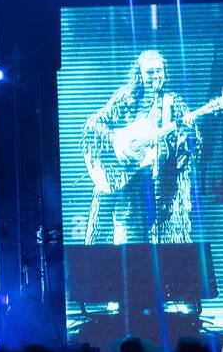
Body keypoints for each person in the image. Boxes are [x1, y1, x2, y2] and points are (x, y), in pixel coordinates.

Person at [81, 50, 202, 245]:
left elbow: (188, 148)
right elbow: (94, 124)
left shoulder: (174, 103)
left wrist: (187, 135)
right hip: (126, 181)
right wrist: (115, 141)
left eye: (159, 71)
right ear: (139, 74)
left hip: (161, 183)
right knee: (125, 237)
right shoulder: (125, 99)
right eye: (150, 72)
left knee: (159, 243)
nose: (155, 77)